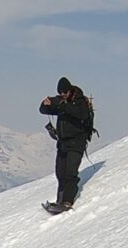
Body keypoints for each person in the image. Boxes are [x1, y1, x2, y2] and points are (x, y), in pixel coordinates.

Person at [39, 77, 95, 213]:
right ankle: (60, 201)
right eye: (60, 92)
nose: (62, 94)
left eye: (65, 92)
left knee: (70, 173)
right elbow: (43, 110)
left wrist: (61, 105)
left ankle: (67, 202)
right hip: (63, 143)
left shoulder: (80, 101)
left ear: (70, 90)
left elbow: (80, 114)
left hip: (77, 143)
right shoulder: (61, 101)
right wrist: (45, 103)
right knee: (60, 173)